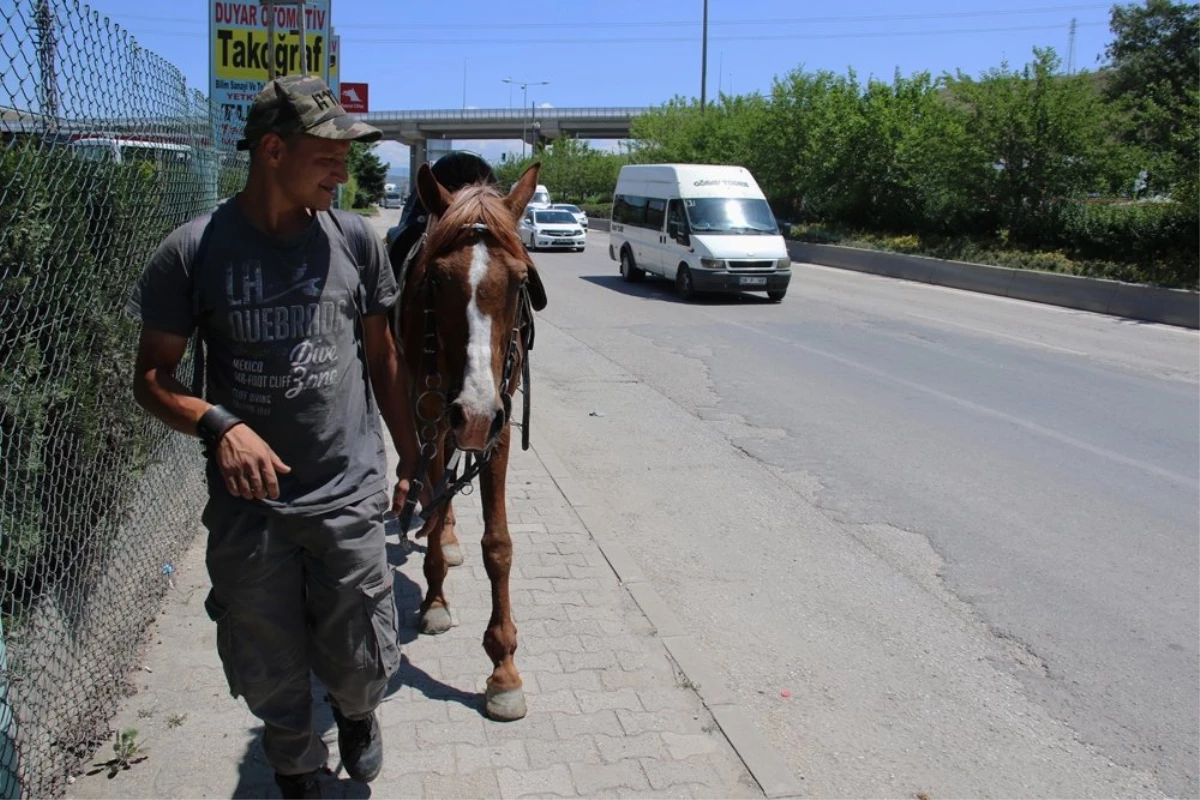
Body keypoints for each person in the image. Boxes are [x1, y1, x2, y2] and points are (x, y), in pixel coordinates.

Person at [126, 75, 419, 800]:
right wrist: (219, 424)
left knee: (360, 658)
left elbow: (382, 358)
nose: (344, 171)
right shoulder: (192, 252)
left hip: (347, 491)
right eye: (329, 155)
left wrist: (415, 457)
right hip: (248, 507)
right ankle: (294, 764)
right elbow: (153, 379)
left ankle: (356, 713)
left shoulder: (355, 239)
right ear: (273, 150)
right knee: (269, 659)